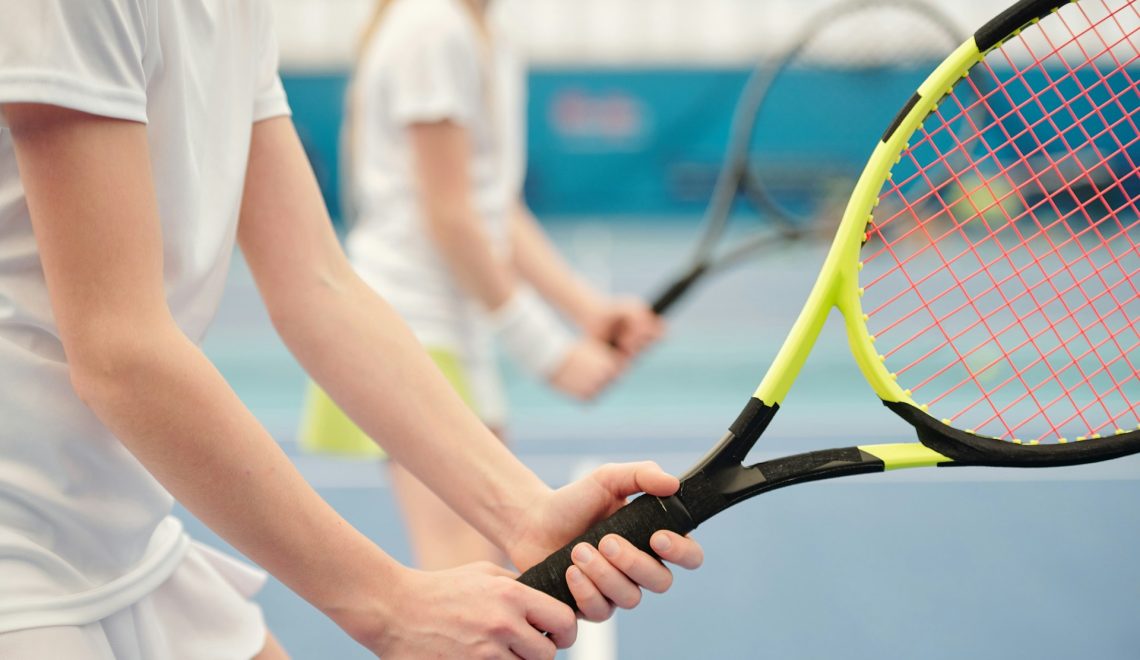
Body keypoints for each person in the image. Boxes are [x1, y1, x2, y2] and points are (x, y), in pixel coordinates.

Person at [0, 1, 702, 658]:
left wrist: (523, 514)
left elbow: (318, 283)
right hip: (20, 555)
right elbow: (121, 352)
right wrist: (389, 604)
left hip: (120, 537)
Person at [300, 0, 666, 571]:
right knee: (465, 574)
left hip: (447, 335)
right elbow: (450, 217)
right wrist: (548, 351)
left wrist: (587, 310)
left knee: (491, 569)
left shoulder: (486, 35)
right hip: (408, 334)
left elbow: (490, 206)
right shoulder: (434, 28)